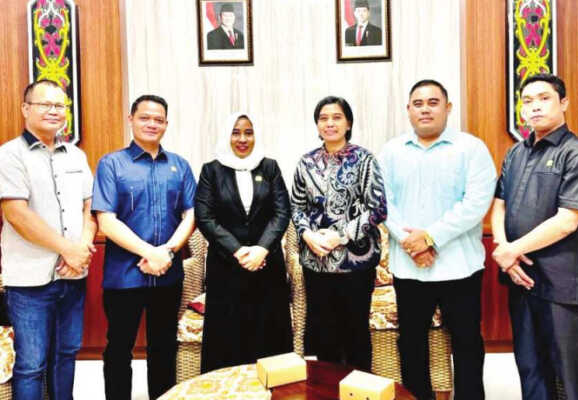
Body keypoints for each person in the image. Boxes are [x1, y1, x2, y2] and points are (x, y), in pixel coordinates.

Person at [379, 79, 496, 400]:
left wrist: (430, 237)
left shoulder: (471, 149)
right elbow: (383, 203)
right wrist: (412, 244)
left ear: (448, 107)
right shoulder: (391, 151)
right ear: (408, 110)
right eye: (418, 104)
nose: (425, 109)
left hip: (459, 267)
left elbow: (475, 204)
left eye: (433, 102)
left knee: (467, 342)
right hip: (409, 267)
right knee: (411, 342)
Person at [491, 73, 578, 400]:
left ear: (563, 103)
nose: (534, 107)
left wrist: (511, 251)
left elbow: (567, 221)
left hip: (561, 284)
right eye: (527, 101)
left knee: (570, 376)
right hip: (520, 279)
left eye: (544, 98)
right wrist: (505, 252)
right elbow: (499, 206)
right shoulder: (515, 153)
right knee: (531, 369)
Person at [92, 95, 197, 399]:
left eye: (158, 119)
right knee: (119, 348)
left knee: (163, 347)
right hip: (124, 276)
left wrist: (168, 252)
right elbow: (106, 221)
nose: (152, 124)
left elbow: (191, 214)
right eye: (145, 118)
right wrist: (150, 253)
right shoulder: (112, 164)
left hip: (168, 274)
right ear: (131, 119)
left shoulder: (179, 165)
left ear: (166, 124)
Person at [0, 79, 97, 399]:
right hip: (30, 281)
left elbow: (90, 208)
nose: (54, 110)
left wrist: (82, 249)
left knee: (66, 354)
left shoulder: (76, 156)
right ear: (25, 109)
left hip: (74, 276)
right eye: (45, 104)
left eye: (60, 105)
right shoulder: (9, 155)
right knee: (31, 364)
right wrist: (69, 250)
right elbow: (17, 215)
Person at [290, 96, 387, 372]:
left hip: (355, 263)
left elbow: (378, 208)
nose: (329, 123)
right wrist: (308, 235)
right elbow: (296, 207)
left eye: (336, 117)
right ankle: (327, 390)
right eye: (323, 118)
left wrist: (340, 236)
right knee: (324, 338)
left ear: (348, 123)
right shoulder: (306, 162)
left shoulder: (364, 159)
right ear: (317, 125)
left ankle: (360, 389)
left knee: (356, 335)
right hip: (316, 262)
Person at [195, 112, 293, 373]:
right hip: (226, 267)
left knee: (269, 335)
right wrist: (237, 250)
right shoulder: (211, 171)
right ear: (226, 136)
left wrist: (261, 249)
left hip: (266, 265)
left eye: (248, 133)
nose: (242, 139)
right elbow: (205, 217)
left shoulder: (269, 167)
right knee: (227, 337)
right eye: (236, 132)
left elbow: (282, 212)